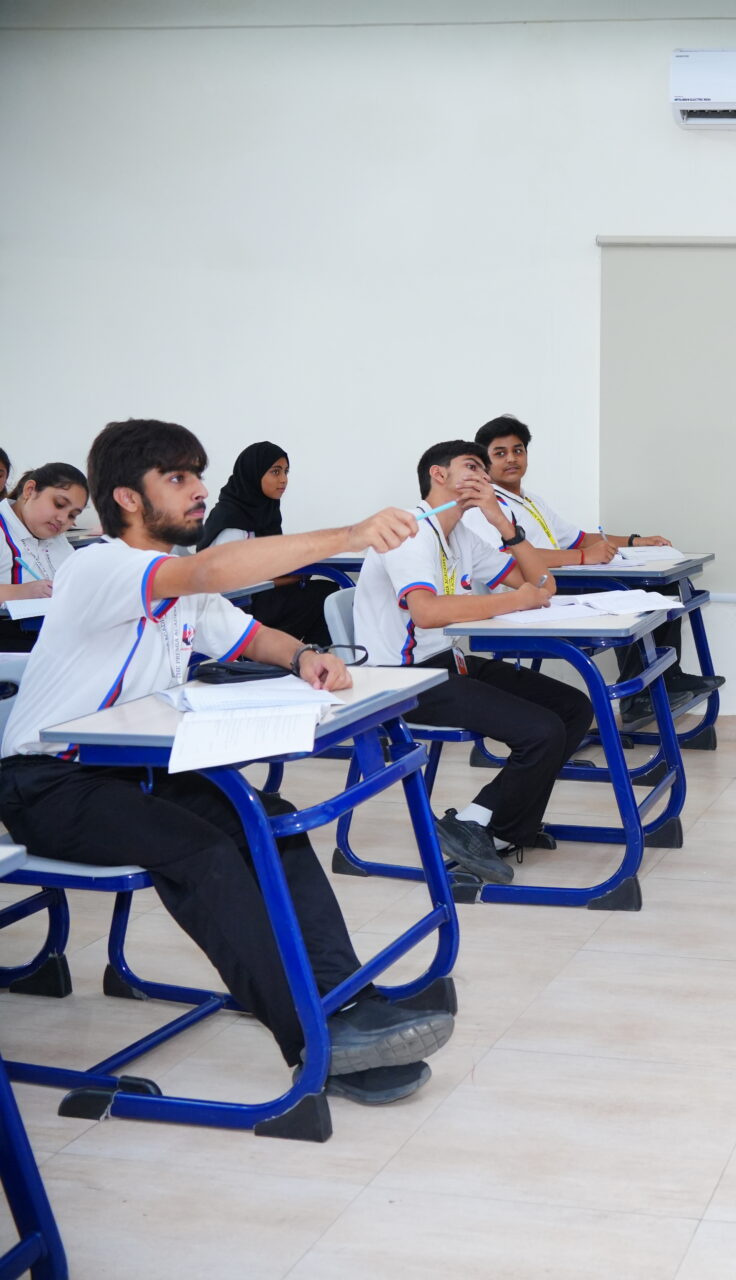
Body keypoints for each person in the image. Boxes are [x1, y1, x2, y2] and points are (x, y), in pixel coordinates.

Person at [0, 419, 452, 1105]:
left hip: (132, 772)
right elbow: (209, 569)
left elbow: (248, 633)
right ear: (126, 497)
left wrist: (303, 655)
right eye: (178, 478)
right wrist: (350, 535)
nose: (200, 492)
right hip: (46, 783)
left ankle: (345, 1002)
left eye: (198, 476)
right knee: (203, 850)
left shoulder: (184, 587)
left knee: (272, 818)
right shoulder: (100, 567)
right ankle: (313, 1038)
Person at [352, 439, 592, 885]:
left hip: (447, 663)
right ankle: (479, 822)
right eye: (471, 466)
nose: (483, 476)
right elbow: (426, 611)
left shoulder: (461, 534)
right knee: (541, 731)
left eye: (485, 469)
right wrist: (513, 604)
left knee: (575, 707)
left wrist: (502, 522)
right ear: (438, 475)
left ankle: (496, 825)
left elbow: (541, 582)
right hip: (400, 680)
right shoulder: (407, 532)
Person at [472, 415, 722, 721]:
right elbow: (510, 559)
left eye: (518, 450)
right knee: (634, 594)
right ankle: (637, 699)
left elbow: (579, 538)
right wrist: (582, 558)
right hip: (525, 596)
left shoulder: (530, 500)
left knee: (663, 588)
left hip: (553, 584)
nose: (511, 459)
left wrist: (636, 540)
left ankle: (667, 678)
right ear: (484, 462)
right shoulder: (486, 508)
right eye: (500, 453)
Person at [196, 441, 337, 644]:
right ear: (253, 473)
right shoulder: (233, 520)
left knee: (324, 591)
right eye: (275, 472)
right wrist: (292, 577)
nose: (283, 480)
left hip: (259, 598)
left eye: (286, 472)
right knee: (325, 596)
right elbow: (230, 581)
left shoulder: (263, 511)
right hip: (237, 608)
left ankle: (304, 657)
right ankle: (303, 658)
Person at [0, 463, 88, 652]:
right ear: (30, 490)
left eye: (73, 515)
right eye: (59, 504)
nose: (63, 519)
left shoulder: (57, 540)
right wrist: (20, 592)